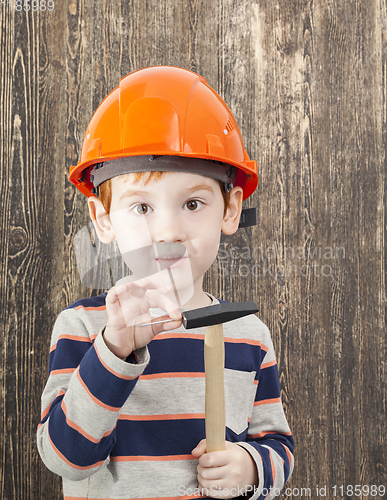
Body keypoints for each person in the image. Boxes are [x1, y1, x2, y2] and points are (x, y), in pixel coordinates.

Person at [37, 66, 294, 500]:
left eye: (193, 203)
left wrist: (251, 468)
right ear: (103, 219)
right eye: (141, 208)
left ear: (230, 211)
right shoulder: (82, 327)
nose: (168, 231)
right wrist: (114, 352)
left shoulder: (250, 337)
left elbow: (278, 447)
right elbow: (65, 459)